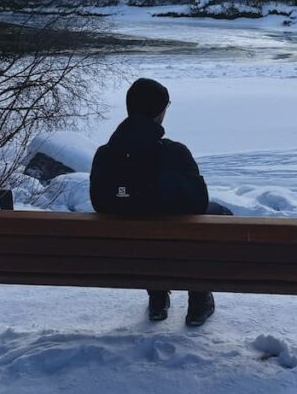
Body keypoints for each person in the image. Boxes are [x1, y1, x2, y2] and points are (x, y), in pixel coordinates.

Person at [89, 77, 232, 327]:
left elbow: (100, 203)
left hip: (129, 252)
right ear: (159, 112)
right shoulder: (173, 154)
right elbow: (198, 203)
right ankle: (199, 297)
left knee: (144, 225)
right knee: (217, 214)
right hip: (172, 242)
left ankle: (157, 295)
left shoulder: (105, 155)